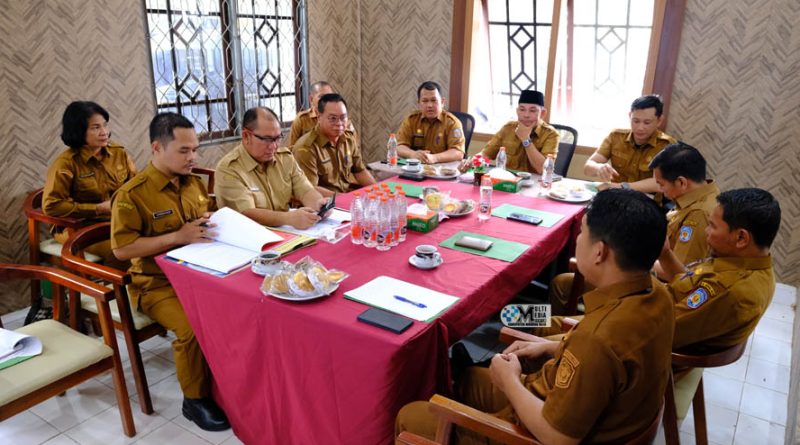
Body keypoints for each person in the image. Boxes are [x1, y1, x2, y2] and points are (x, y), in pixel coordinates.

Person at [396, 189, 674, 444]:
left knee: (412, 412)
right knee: (508, 319)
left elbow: (559, 436)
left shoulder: (595, 343)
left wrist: (510, 381)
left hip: (546, 413)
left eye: (582, 233)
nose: (577, 238)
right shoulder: (659, 294)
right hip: (561, 345)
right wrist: (555, 346)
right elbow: (602, 355)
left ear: (599, 251)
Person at [110, 112, 229, 431]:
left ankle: (227, 383)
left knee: (238, 308)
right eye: (184, 150)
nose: (193, 157)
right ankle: (195, 400)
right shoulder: (133, 194)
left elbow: (199, 221)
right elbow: (122, 249)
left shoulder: (193, 184)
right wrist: (178, 237)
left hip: (200, 272)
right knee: (190, 328)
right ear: (157, 149)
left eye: (195, 149)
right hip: (156, 284)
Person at [658, 188, 780, 350]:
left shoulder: (727, 289)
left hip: (659, 354)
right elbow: (689, 284)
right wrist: (665, 254)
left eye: (712, 226)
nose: (705, 231)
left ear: (741, 238)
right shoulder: (745, 262)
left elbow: (659, 331)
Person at [43, 101, 136, 266]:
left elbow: (135, 186)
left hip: (116, 221)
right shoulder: (65, 164)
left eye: (105, 125)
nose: (104, 132)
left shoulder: (118, 153)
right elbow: (51, 206)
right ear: (79, 131)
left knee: (158, 240)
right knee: (123, 251)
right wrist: (98, 208)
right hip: (78, 228)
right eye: (96, 128)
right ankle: (117, 290)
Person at [215, 106, 329, 229]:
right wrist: (288, 218)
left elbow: (305, 190)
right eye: (267, 139)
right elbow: (246, 214)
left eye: (277, 138)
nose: (273, 146)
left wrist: (319, 204)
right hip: (250, 238)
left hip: (287, 233)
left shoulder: (284, 159)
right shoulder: (229, 169)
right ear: (246, 136)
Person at [650, 142, 720, 279]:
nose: (660, 190)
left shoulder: (698, 214)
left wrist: (635, 262)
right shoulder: (696, 195)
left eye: (661, 184)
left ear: (681, 183)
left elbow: (680, 273)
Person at [583, 95, 676, 193]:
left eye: (647, 122)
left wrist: (621, 186)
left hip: (647, 200)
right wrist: (598, 168)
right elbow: (587, 168)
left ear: (659, 120)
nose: (640, 127)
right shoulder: (616, 136)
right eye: (636, 121)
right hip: (615, 194)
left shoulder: (666, 145)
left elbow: (658, 184)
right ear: (630, 116)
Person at [293, 93, 376, 197]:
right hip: (322, 204)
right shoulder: (306, 148)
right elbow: (310, 189)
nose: (339, 123)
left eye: (343, 117)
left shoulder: (348, 139)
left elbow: (360, 171)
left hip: (345, 196)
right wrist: (343, 199)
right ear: (319, 117)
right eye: (333, 118)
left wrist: (377, 189)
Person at [480, 90, 560, 174]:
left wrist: (525, 139)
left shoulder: (551, 134)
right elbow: (486, 154)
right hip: (507, 182)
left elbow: (544, 170)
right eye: (522, 109)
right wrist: (474, 161)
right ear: (517, 111)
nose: (526, 115)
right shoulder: (508, 128)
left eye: (532, 111)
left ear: (543, 113)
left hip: (535, 184)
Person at [396, 81, 466, 163]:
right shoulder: (411, 120)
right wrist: (413, 154)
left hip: (443, 171)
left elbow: (458, 152)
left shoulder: (452, 123)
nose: (429, 105)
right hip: (415, 169)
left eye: (434, 100)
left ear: (442, 102)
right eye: (425, 101)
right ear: (419, 103)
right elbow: (399, 146)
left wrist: (435, 158)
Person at [288, 80, 357, 147]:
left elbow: (354, 149)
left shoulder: (343, 120)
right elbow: (292, 148)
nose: (327, 100)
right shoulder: (302, 120)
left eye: (329, 96)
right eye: (321, 97)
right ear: (311, 99)